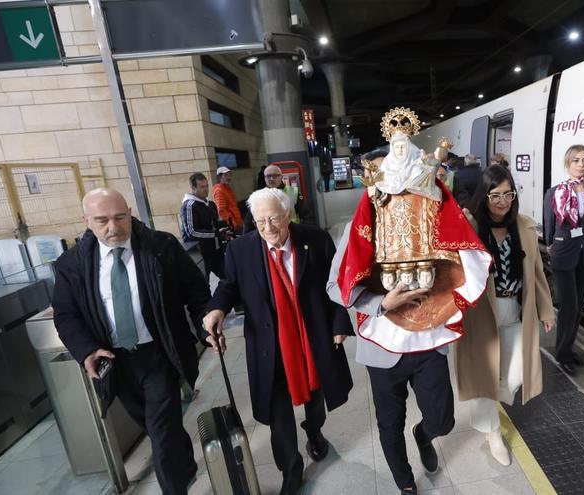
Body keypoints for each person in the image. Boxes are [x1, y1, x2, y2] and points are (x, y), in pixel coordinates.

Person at [330, 107, 491, 495]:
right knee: (389, 423)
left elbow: (461, 252)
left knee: (444, 419)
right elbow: (336, 287)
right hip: (382, 347)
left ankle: (425, 433)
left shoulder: (433, 220)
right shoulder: (361, 229)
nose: (403, 200)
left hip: (427, 338)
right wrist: (380, 305)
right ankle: (405, 483)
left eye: (411, 194)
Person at [52, 188, 210, 494]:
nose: (114, 227)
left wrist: (206, 328)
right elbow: (66, 316)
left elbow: (196, 291)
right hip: (116, 362)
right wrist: (86, 350)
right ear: (86, 220)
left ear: (129, 212)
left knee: (162, 434)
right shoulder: (71, 265)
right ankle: (186, 463)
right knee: (155, 428)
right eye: (102, 220)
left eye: (120, 217)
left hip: (159, 353)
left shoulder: (161, 246)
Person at [202, 188, 353, 495]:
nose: (267, 228)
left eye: (273, 219)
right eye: (260, 221)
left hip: (311, 340)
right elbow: (229, 287)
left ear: (288, 215)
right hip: (269, 346)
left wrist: (339, 323)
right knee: (277, 412)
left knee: (316, 401)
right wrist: (216, 309)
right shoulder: (240, 250)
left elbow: (336, 284)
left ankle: (314, 430)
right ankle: (291, 467)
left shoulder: (316, 239)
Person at [458, 166, 555, 466]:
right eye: (495, 195)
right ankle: (492, 431)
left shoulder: (523, 226)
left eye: (508, 195)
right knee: (486, 376)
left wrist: (545, 310)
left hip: (514, 308)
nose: (503, 202)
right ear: (483, 196)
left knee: (514, 374)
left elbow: (537, 274)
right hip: (480, 314)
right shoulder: (471, 226)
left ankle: (486, 401)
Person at [542, 144, 584, 376]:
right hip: (564, 252)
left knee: (578, 307)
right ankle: (562, 353)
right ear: (568, 163)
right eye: (576, 160)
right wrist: (550, 244)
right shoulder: (555, 191)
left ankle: (568, 347)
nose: (581, 165)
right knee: (569, 306)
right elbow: (549, 222)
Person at [180, 172, 229, 280]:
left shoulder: (210, 204)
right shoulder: (189, 205)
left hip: (216, 251)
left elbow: (214, 225)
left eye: (207, 186)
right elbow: (192, 232)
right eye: (202, 187)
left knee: (229, 278)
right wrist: (217, 234)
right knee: (203, 286)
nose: (206, 189)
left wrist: (224, 229)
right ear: (193, 187)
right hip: (199, 253)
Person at [212, 166, 243, 232]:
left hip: (237, 223)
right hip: (233, 225)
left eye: (229, 175)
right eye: (225, 175)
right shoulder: (219, 190)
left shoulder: (226, 188)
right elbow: (221, 210)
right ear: (219, 177)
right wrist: (233, 224)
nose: (229, 177)